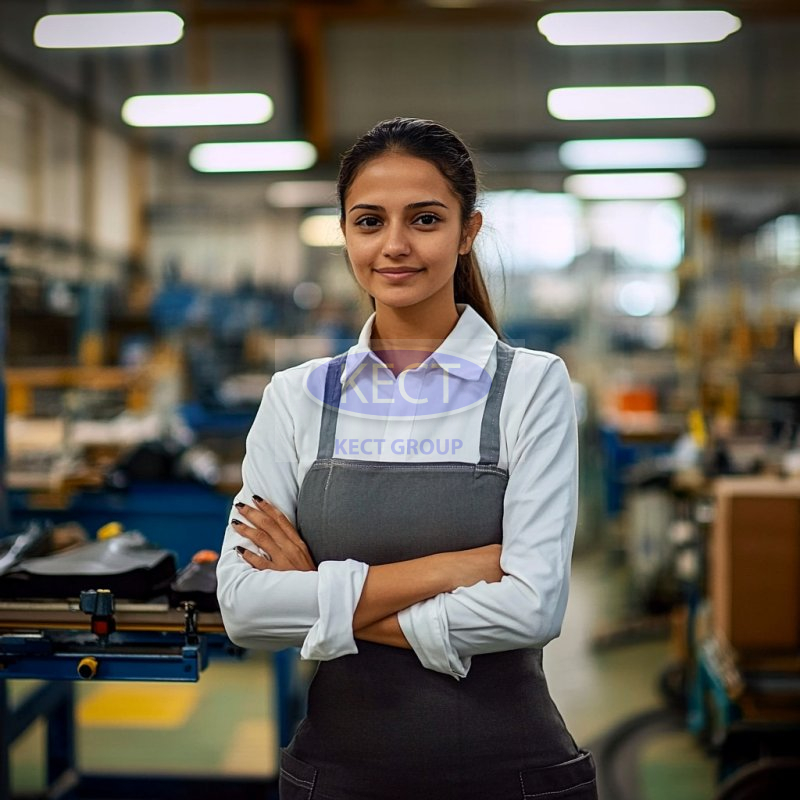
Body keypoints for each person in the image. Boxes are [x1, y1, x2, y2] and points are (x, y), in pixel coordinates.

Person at [216, 117, 597, 800]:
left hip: (511, 776)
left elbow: (533, 611)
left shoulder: (531, 386)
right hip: (338, 778)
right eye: (368, 222)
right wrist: (452, 569)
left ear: (468, 231)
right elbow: (245, 610)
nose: (394, 246)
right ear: (344, 234)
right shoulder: (295, 397)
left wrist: (323, 595)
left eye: (424, 219)